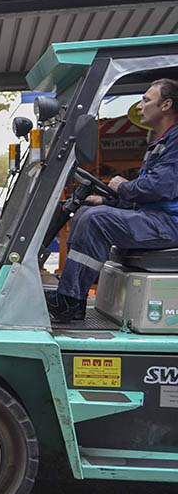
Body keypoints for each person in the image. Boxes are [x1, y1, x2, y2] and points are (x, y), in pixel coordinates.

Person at [49, 78, 178, 321]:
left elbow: (161, 187)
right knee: (89, 214)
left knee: (96, 221)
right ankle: (70, 297)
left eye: (146, 100)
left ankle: (70, 300)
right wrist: (107, 201)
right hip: (157, 218)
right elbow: (145, 199)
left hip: (169, 223)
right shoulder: (162, 142)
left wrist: (123, 187)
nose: (139, 106)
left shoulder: (176, 141)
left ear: (166, 105)